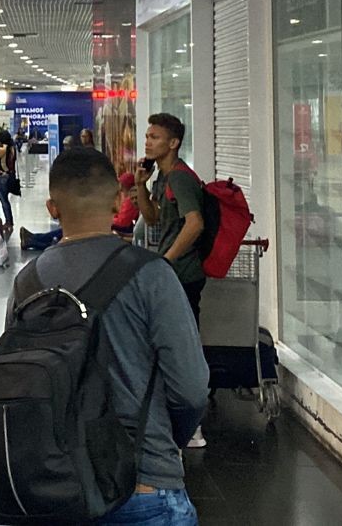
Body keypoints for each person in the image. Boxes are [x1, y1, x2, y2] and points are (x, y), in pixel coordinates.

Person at [7, 149, 209, 526]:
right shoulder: (153, 275)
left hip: (55, 484)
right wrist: (166, 442)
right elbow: (192, 388)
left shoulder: (28, 283)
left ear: (53, 208)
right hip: (144, 482)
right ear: (118, 201)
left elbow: (17, 380)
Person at [134, 113, 207, 447]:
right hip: (172, 275)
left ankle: (193, 426)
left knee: (182, 348)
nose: (148, 142)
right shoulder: (162, 177)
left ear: (173, 143)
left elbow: (195, 223)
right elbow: (152, 219)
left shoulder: (179, 178)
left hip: (184, 276)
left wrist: (167, 260)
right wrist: (140, 185)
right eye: (147, 136)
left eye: (155, 137)